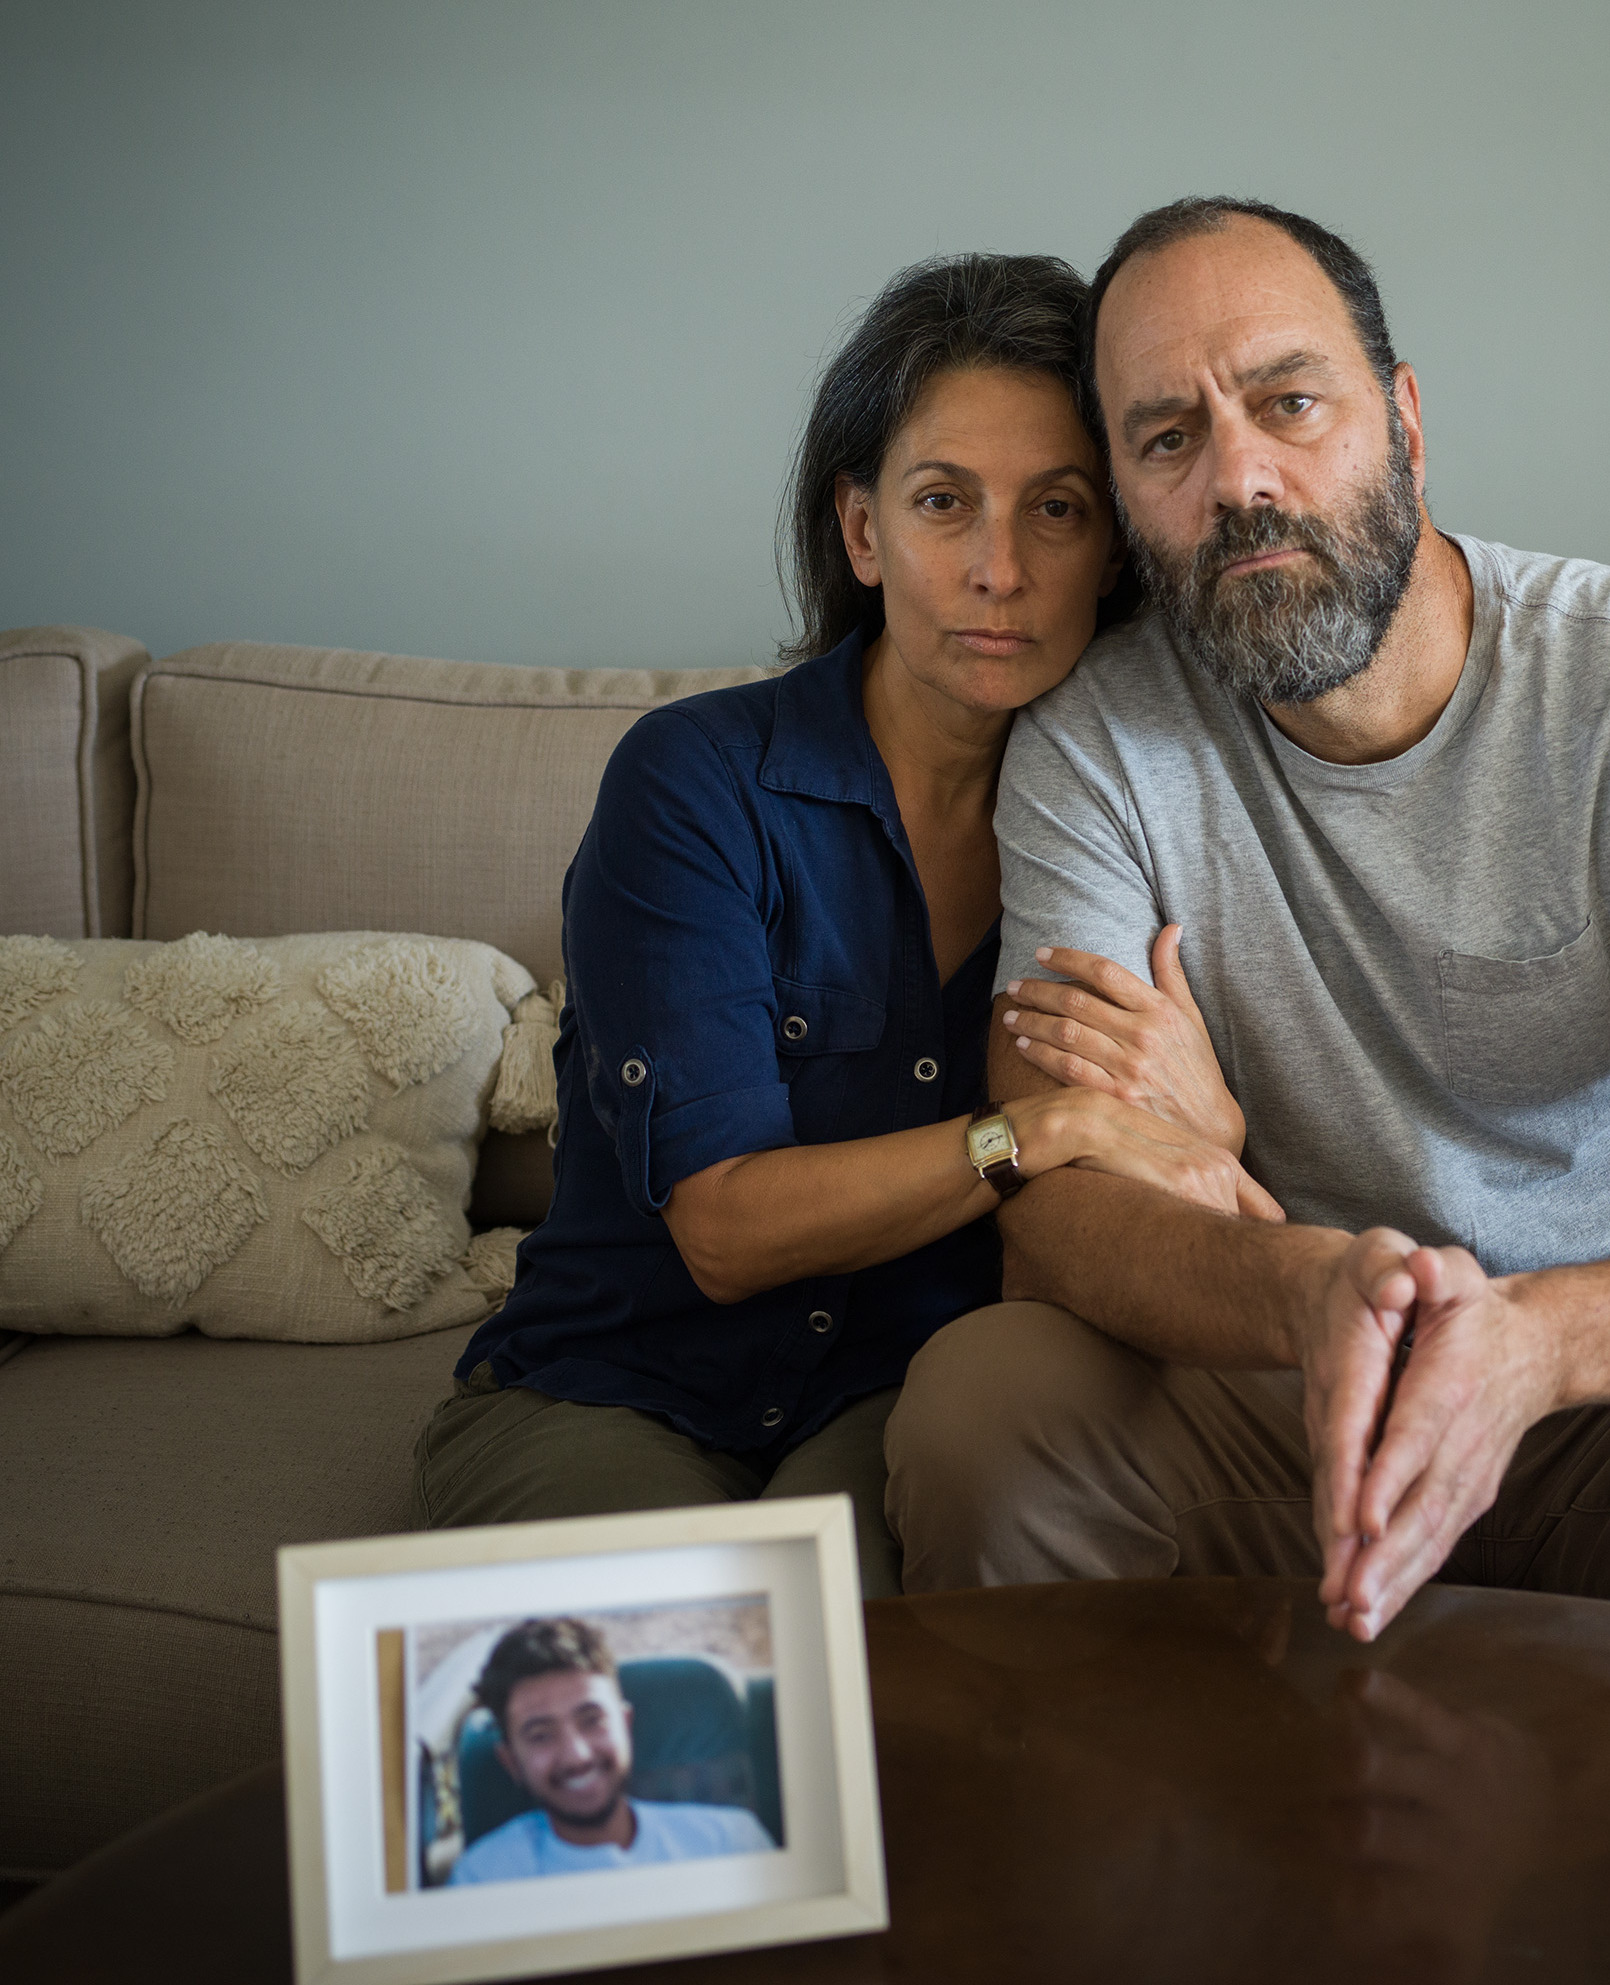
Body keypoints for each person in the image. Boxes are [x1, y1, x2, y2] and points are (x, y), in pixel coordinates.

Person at [884, 197, 1610, 1638]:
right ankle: (1132, 1860)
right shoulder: (1096, 744)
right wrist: (1305, 1291)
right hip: (1297, 1381)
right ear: (1132, 506)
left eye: (1289, 402)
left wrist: (1534, 1344)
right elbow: (1064, 1205)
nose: (1240, 478)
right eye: (1167, 438)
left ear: (1402, 421)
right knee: (984, 1403)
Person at [410, 254, 1254, 1592]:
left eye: (1058, 508)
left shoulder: (1149, 817)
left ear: (1116, 550)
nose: (999, 569)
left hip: (905, 1398)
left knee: (879, 1663)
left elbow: (1196, 1164)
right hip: (621, 1385)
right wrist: (1043, 1128)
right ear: (862, 533)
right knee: (656, 1669)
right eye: (941, 504)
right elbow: (727, 1228)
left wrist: (1209, 1130)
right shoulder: (695, 782)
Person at [446, 1617, 773, 1882]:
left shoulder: (730, 1843)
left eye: (591, 1720)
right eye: (541, 1735)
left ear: (625, 1725)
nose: (577, 1756)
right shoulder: (483, 1879)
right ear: (511, 1763)